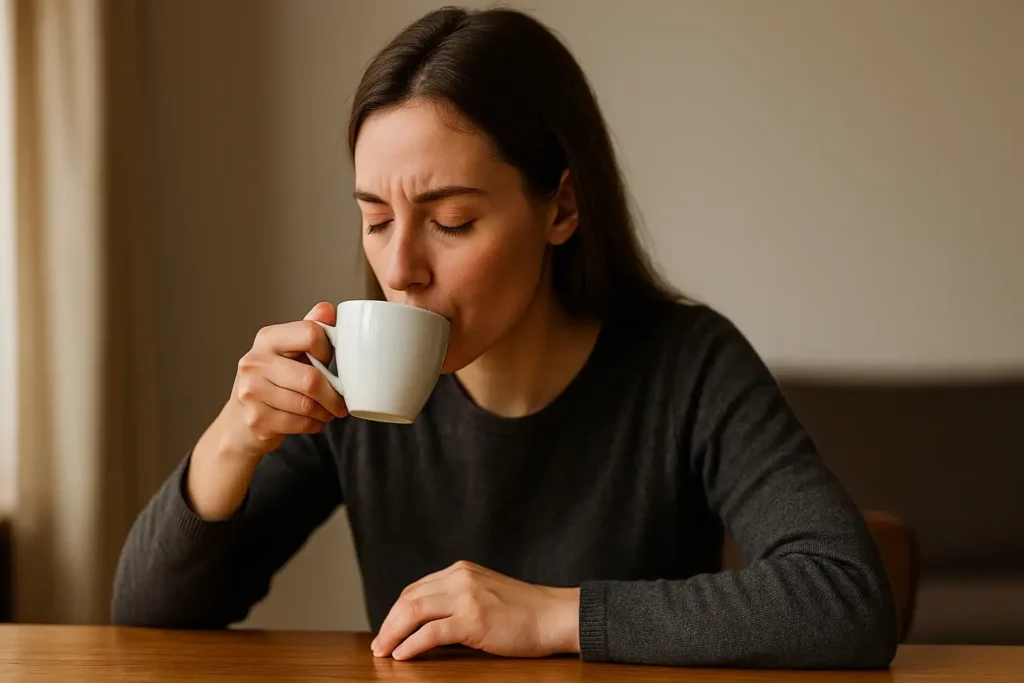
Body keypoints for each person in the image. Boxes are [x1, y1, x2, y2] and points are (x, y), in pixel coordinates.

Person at [112, 6, 897, 668]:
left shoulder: (686, 365)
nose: (400, 268)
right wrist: (233, 437)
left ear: (561, 208)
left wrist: (555, 615)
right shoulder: (349, 373)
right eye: (376, 220)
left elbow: (846, 595)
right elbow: (145, 615)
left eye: (452, 221)